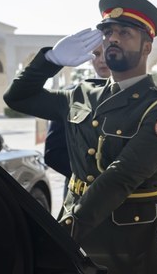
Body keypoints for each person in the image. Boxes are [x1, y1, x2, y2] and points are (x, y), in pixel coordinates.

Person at [4, 0, 157, 274]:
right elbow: (18, 97)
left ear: (148, 45)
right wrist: (51, 59)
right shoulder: (80, 95)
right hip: (79, 255)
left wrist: (60, 236)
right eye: (109, 32)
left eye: (126, 32)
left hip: (129, 254)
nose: (113, 39)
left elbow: (122, 175)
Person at [44, 45, 111, 198]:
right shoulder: (72, 95)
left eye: (107, 52)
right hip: (80, 197)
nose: (101, 60)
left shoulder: (143, 98)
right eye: (96, 54)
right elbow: (53, 153)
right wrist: (91, 179)